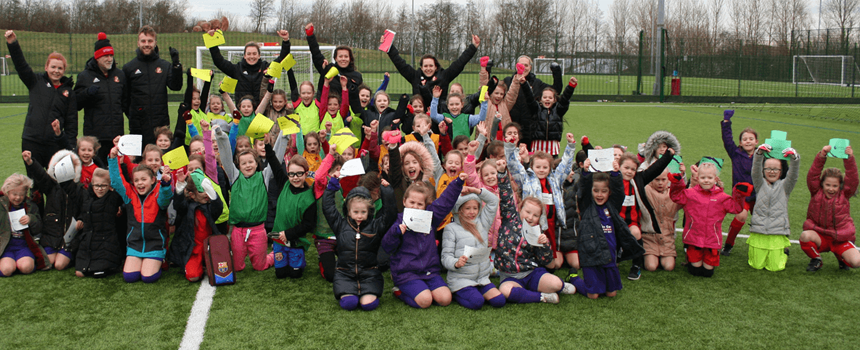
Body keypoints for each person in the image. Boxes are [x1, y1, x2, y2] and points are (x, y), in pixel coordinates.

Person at [494, 165, 576, 304]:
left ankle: (560, 286)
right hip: (510, 277)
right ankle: (542, 297)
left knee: (555, 284)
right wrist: (502, 174)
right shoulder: (510, 219)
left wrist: (544, 245)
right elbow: (506, 196)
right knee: (505, 291)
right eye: (527, 212)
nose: (530, 217)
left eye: (535, 215)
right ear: (520, 209)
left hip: (531, 274)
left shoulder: (538, 233)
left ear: (539, 218)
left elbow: (548, 263)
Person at [569, 165, 644, 299]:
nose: (599, 194)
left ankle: (601, 282)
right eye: (596, 190)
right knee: (593, 295)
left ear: (609, 192)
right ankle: (574, 278)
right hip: (591, 256)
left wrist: (615, 174)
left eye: (604, 191)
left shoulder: (612, 206)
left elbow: (619, 191)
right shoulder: (586, 206)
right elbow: (584, 190)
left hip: (608, 256)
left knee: (611, 294)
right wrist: (586, 173)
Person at [322, 177, 396, 311]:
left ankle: (366, 293)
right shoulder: (340, 225)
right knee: (349, 303)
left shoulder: (375, 226)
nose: (359, 216)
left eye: (363, 212)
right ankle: (349, 292)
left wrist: (387, 191)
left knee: (369, 305)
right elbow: (328, 208)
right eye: (355, 212)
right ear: (348, 211)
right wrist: (331, 187)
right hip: (345, 274)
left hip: (370, 274)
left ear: (369, 211)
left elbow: (390, 214)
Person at [5, 30, 76, 168]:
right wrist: (13, 43)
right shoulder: (35, 82)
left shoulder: (68, 92)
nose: (56, 71)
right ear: (46, 67)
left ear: (64, 70)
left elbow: (71, 122)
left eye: (60, 68)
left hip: (55, 143)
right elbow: (21, 65)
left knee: (54, 182)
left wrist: (71, 146)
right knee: (35, 182)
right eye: (53, 67)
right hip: (31, 140)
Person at [669, 160, 751, 277]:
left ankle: (703, 261)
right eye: (703, 177)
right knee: (695, 271)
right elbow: (676, 196)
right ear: (697, 178)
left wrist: (739, 194)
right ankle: (690, 258)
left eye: (709, 177)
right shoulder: (690, 193)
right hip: (694, 237)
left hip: (712, 239)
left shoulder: (722, 197)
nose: (706, 180)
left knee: (708, 273)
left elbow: (736, 208)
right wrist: (677, 182)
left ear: (715, 179)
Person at [108, 145, 174, 283]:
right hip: (134, 245)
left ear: (153, 180)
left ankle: (159, 260)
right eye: (136, 180)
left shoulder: (158, 191)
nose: (140, 183)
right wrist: (113, 159)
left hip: (155, 245)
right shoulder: (130, 195)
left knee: (148, 277)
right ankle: (141, 260)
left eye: (144, 179)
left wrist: (166, 184)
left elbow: (165, 199)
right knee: (130, 277)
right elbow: (116, 181)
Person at [441, 178, 505, 310]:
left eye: (475, 208)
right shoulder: (451, 228)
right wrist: (456, 263)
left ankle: (478, 291)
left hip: (482, 278)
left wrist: (476, 191)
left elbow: (494, 201)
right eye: (467, 208)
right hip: (461, 280)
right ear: (459, 210)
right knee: (477, 303)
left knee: (499, 301)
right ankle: (457, 293)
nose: (472, 212)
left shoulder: (483, 222)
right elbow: (445, 257)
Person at [23, 149, 87, 271]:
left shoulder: (80, 190)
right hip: (52, 235)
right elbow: (41, 176)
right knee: (49, 262)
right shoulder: (52, 187)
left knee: (59, 265)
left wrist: (81, 220)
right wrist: (31, 162)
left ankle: (70, 254)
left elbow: (85, 209)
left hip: (70, 237)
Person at [383, 32, 480, 109]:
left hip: (438, 118)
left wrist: (473, 47)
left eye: (431, 66)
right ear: (421, 67)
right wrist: (389, 47)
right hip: (419, 118)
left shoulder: (444, 76)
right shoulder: (415, 76)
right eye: (425, 66)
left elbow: (460, 63)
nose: (428, 68)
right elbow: (400, 64)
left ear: (436, 67)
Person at [799, 145, 857, 272]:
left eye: (835, 186)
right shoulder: (816, 191)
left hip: (840, 239)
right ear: (822, 184)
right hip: (820, 235)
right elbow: (813, 174)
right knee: (805, 236)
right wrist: (822, 155)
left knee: (856, 262)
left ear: (840, 186)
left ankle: (841, 258)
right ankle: (816, 259)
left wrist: (849, 158)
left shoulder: (845, 194)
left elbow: (852, 179)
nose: (831, 189)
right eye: (828, 185)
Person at [123, 25, 183, 146]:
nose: (147, 44)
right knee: (140, 161)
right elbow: (124, 98)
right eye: (143, 41)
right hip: (138, 126)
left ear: (155, 43)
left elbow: (176, 86)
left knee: (160, 161)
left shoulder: (164, 65)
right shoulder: (129, 67)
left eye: (150, 41)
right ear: (138, 43)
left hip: (160, 125)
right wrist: (134, 115)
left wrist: (176, 65)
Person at [748, 145, 799, 272]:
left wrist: (795, 159)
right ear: (763, 170)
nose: (772, 171)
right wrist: (759, 154)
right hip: (759, 231)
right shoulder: (759, 184)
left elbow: (793, 176)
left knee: (775, 267)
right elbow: (755, 170)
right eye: (768, 168)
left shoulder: (785, 187)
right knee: (756, 265)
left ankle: (784, 252)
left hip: (777, 233)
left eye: (776, 169)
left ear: (782, 171)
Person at [75, 32, 126, 163]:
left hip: (116, 135)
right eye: (105, 56)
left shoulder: (120, 75)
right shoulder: (85, 76)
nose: (109, 59)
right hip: (95, 137)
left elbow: (126, 102)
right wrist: (86, 93)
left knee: (115, 172)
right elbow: (75, 104)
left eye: (111, 55)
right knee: (97, 174)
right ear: (97, 57)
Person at [208, 29, 290, 107]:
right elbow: (219, 62)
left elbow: (282, 60)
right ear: (244, 55)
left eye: (254, 54)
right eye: (249, 54)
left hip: (262, 114)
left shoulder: (266, 68)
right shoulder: (237, 69)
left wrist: (286, 41)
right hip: (243, 114)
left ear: (259, 55)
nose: (252, 56)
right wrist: (213, 44)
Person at [74, 169, 124, 277]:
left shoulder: (112, 198)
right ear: (92, 185)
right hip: (89, 240)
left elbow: (120, 184)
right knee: (79, 273)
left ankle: (107, 267)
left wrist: (116, 161)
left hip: (106, 242)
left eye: (103, 186)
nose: (99, 189)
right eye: (96, 185)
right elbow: (83, 212)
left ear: (109, 186)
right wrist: (81, 219)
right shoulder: (87, 197)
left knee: (98, 273)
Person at [720, 110, 757, 255]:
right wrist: (726, 123)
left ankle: (780, 245)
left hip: (759, 194)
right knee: (741, 216)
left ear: (756, 142)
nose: (748, 141)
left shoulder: (762, 155)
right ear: (741, 142)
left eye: (751, 138)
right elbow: (727, 140)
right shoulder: (735, 153)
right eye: (745, 139)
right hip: (742, 195)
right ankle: (728, 244)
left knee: (767, 216)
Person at [504, 56, 563, 146]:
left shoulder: (537, 83)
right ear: (516, 66)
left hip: (531, 129)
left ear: (530, 67)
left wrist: (556, 73)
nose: (523, 68)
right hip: (511, 126)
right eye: (520, 65)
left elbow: (556, 91)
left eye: (526, 65)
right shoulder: (508, 81)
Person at [0, 173, 50, 276]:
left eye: (21, 194)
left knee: (27, 268)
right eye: (14, 194)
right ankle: (10, 264)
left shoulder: (30, 205)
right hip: (5, 245)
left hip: (24, 245)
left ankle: (19, 263)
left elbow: (38, 229)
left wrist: (30, 219)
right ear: (7, 192)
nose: (18, 198)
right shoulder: (2, 205)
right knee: (7, 270)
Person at [305, 23, 363, 103]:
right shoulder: (329, 68)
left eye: (346, 56)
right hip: (326, 110)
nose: (343, 59)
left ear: (350, 58)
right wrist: (310, 36)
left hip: (346, 112)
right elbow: (316, 54)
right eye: (340, 56)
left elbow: (357, 95)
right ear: (335, 58)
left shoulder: (357, 76)